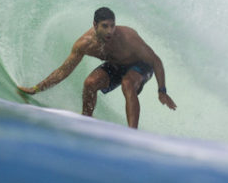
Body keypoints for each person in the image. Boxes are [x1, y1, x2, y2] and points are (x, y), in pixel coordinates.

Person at [18, 7, 177, 128]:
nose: (110, 31)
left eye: (112, 26)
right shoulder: (85, 44)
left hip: (141, 66)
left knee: (128, 83)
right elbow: (63, 71)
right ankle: (86, 120)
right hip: (116, 66)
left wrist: (162, 91)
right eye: (105, 26)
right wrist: (37, 89)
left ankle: (131, 135)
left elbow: (156, 60)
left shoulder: (128, 38)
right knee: (90, 83)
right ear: (95, 25)